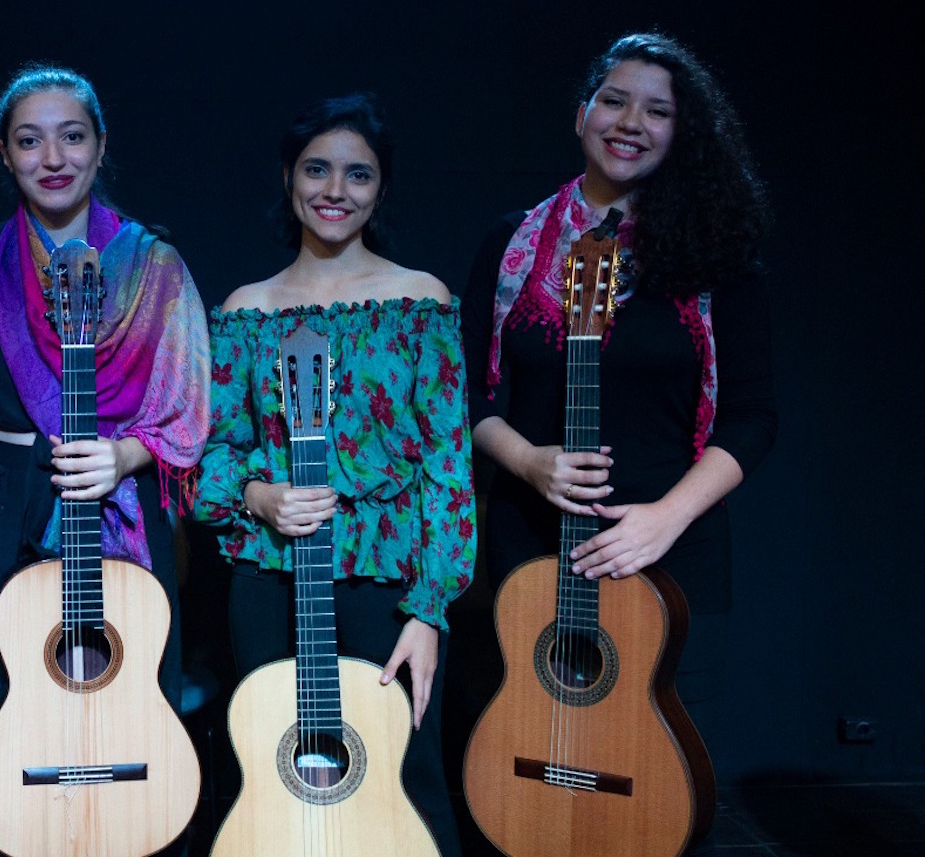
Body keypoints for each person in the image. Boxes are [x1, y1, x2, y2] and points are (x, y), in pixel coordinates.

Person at [460, 32, 776, 855]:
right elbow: (471, 396)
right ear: (581, 113)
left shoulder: (716, 252)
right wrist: (526, 459)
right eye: (615, 100)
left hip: (671, 556)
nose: (630, 121)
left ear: (683, 131)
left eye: (658, 109)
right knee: (528, 803)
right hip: (535, 552)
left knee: (657, 810)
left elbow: (752, 415)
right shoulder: (513, 243)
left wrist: (665, 519)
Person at [192, 92, 475, 857]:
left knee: (404, 780)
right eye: (317, 169)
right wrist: (262, 496)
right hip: (271, 577)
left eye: (358, 174)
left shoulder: (421, 300)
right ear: (289, 178)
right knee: (277, 781)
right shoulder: (247, 309)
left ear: (381, 189)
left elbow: (449, 469)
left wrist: (429, 610)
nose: (334, 190)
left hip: (391, 584)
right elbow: (211, 457)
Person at [0, 64, 211, 856]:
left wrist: (124, 454)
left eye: (72, 135)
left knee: (127, 696)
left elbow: (192, 407)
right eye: (30, 139)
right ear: (4, 153)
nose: (52, 156)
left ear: (100, 146)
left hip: (121, 510)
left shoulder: (153, 264)